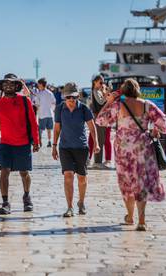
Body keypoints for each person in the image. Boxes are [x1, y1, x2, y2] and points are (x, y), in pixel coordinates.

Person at [96, 79, 166, 231]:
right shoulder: (147, 105)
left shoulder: (118, 105)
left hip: (124, 151)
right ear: (137, 90)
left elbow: (100, 120)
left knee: (127, 183)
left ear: (123, 91)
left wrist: (108, 102)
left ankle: (130, 217)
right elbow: (162, 121)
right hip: (143, 148)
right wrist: (155, 130)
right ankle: (141, 221)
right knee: (141, 183)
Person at [0, 73, 40, 215]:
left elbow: (33, 122)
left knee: (24, 172)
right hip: (5, 144)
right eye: (5, 84)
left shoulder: (25, 101)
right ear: (2, 87)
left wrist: (36, 141)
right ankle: (5, 202)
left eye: (11, 83)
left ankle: (27, 196)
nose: (8, 86)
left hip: (23, 143)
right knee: (4, 172)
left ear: (17, 86)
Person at [52, 82, 99, 217]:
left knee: (82, 178)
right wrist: (54, 146)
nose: (71, 100)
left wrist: (96, 143)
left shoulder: (84, 109)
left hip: (81, 148)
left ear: (78, 96)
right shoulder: (60, 109)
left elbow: (91, 127)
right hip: (65, 148)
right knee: (68, 176)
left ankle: (81, 202)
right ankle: (69, 207)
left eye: (73, 97)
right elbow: (57, 129)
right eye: (68, 97)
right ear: (64, 97)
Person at [88, 74, 111, 168]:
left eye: (103, 82)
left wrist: (105, 92)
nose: (102, 84)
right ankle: (97, 162)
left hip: (102, 117)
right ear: (95, 82)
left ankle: (97, 161)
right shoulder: (95, 91)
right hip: (99, 118)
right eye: (100, 82)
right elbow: (101, 102)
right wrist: (106, 94)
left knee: (100, 139)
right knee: (99, 139)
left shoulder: (99, 91)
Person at [35, 78, 56, 147]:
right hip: (50, 114)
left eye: (38, 84)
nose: (37, 85)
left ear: (41, 84)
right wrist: (51, 110)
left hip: (42, 114)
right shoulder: (50, 93)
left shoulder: (39, 94)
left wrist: (37, 112)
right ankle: (49, 142)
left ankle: (39, 142)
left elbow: (37, 105)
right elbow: (53, 103)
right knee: (49, 129)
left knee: (40, 130)